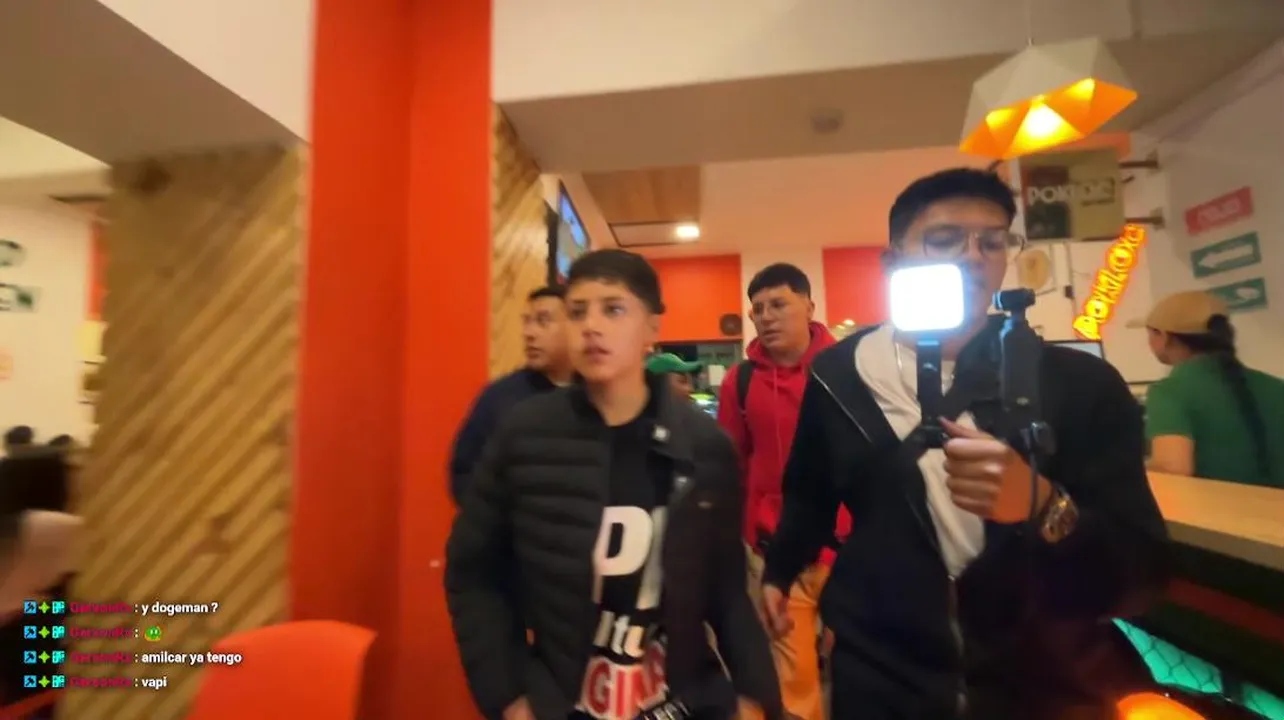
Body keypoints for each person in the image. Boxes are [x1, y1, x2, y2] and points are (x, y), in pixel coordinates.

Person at [761, 168, 1168, 719]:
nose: (973, 256)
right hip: (880, 678)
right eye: (945, 239)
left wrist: (1044, 505)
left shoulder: (1078, 383)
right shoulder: (838, 375)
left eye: (992, 241)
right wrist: (780, 571)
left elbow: (1141, 578)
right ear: (893, 262)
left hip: (1043, 688)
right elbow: (810, 492)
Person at [446, 249, 781, 720]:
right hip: (563, 701)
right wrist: (508, 698)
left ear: (652, 329)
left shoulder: (705, 446)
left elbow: (726, 589)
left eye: (614, 309)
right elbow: (473, 572)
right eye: (577, 311)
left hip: (677, 700)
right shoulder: (524, 433)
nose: (591, 326)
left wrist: (756, 697)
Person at [716, 263, 848, 720]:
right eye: (757, 309)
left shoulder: (848, 370)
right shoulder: (740, 381)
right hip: (776, 555)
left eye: (778, 304)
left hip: (851, 550)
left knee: (862, 671)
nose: (766, 317)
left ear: (809, 306)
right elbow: (731, 465)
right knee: (793, 682)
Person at [1133, 290, 1284, 488]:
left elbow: (1173, 468)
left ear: (1163, 337)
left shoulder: (1170, 392)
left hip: (1220, 507)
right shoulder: (1275, 386)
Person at [449, 285, 573, 501]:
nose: (529, 333)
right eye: (527, 322)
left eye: (543, 321)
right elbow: (464, 473)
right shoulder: (500, 398)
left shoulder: (597, 393)